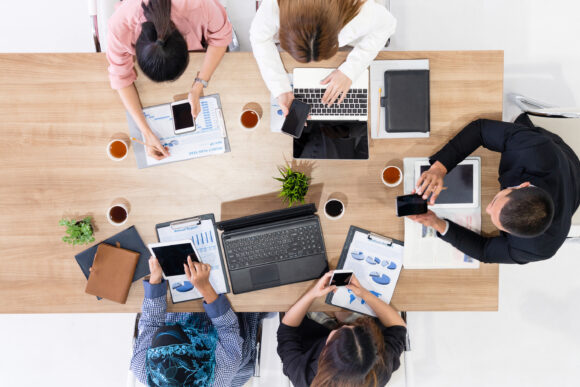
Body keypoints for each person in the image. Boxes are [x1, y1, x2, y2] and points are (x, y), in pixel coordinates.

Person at [408, 114, 580, 264]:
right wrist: (439, 168)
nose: (487, 208)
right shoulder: (534, 149)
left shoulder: (538, 248)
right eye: (496, 201)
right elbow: (480, 130)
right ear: (523, 185)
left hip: (571, 197)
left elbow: (485, 252)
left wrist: (436, 223)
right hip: (565, 161)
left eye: (497, 222)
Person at [106, 0, 232, 160]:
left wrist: (200, 83)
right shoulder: (121, 24)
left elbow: (222, 37)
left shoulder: (200, 5)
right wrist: (146, 133)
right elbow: (120, 76)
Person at [130, 256, 264, 386]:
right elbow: (228, 327)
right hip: (225, 340)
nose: (176, 326)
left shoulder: (141, 367)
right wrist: (205, 287)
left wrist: (155, 278)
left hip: (182, 320)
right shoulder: (221, 372)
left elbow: (151, 323)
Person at [250, 0, 396, 115]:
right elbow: (259, 37)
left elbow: (388, 25)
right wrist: (280, 88)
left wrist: (350, 70)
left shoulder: (360, 11)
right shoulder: (274, 5)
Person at [277, 272, 407, 387]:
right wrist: (363, 293)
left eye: (339, 332)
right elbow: (399, 327)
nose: (344, 326)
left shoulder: (303, 376)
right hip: (363, 321)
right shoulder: (379, 373)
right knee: (343, 309)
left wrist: (312, 293)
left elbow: (286, 330)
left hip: (313, 329)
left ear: (325, 352)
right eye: (352, 328)